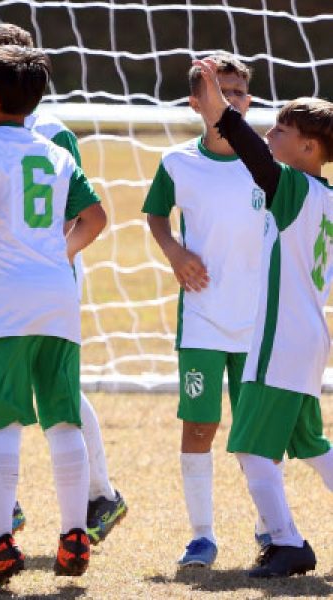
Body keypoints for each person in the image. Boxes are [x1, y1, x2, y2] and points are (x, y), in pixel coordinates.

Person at [0, 23, 126, 553]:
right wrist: (57, 254)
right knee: (62, 418)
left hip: (10, 302)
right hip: (58, 292)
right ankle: (74, 535)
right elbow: (96, 217)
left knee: (4, 422)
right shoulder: (55, 150)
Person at [193, 57, 333, 578]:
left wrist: (223, 112)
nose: (270, 133)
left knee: (252, 449)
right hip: (307, 337)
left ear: (311, 149)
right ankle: (286, 540)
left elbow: (254, 157)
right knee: (311, 446)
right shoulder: (327, 199)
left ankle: (287, 542)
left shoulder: (295, 189)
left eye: (282, 128)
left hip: (281, 338)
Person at [143, 54, 267, 568]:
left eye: (237, 92)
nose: (230, 100)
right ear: (197, 103)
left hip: (259, 320)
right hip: (202, 319)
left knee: (255, 429)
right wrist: (175, 252)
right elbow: (154, 215)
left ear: (249, 101)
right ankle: (201, 535)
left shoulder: (267, 161)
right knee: (199, 426)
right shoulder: (177, 162)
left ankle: (270, 526)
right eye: (219, 92)